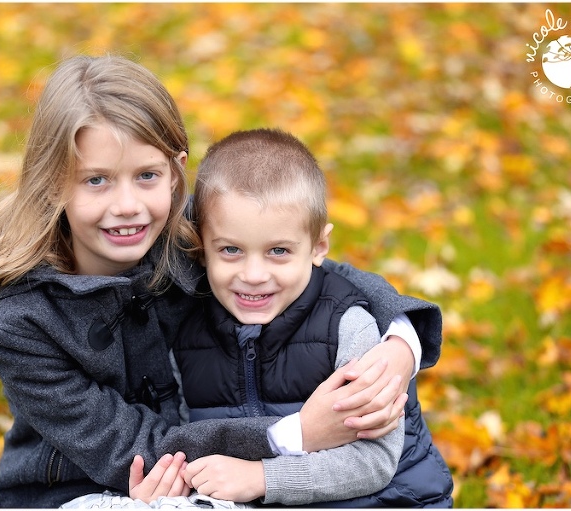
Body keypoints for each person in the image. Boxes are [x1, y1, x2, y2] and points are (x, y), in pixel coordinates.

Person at [0, 54, 445, 509]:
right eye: (96, 180)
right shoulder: (19, 323)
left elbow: (312, 270)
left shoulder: (185, 238)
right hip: (76, 488)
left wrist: (401, 338)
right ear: (55, 181)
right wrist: (293, 435)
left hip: (207, 472)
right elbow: (129, 448)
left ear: (174, 172)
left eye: (146, 175)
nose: (127, 206)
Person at [169, 128, 453, 507]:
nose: (254, 274)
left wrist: (263, 478)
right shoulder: (185, 327)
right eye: (231, 250)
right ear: (201, 247)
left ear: (319, 246)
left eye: (279, 251)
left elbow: (375, 462)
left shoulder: (350, 328)